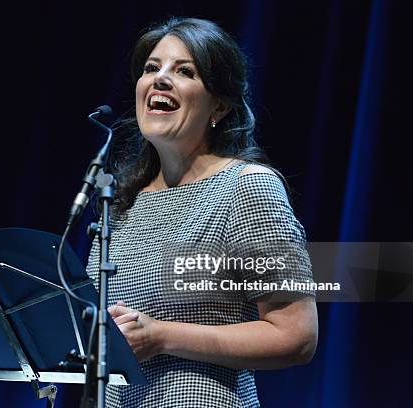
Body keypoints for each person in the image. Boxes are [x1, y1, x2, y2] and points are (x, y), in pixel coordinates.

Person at [85, 17, 318, 407]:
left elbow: (296, 336)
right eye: (151, 68)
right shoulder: (124, 202)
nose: (160, 79)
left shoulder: (246, 186)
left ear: (220, 106)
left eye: (184, 71)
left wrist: (162, 336)